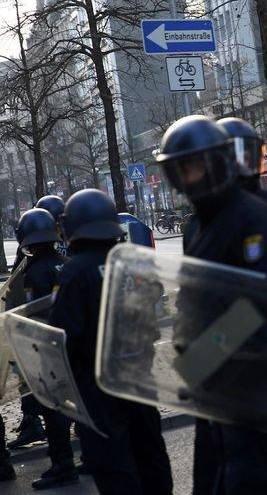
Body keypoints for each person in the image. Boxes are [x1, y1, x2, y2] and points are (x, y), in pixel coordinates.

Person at [157, 115, 267, 495]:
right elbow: (196, 298)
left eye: (196, 166)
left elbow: (266, 307)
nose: (191, 178)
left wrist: (204, 353)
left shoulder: (254, 217)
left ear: (219, 162)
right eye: (182, 170)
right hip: (219, 391)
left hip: (260, 390)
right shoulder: (198, 225)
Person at [49, 189, 173, 495]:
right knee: (150, 454)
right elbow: (153, 313)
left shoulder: (74, 273)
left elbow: (64, 337)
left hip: (98, 388)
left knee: (114, 467)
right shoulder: (131, 263)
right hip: (138, 379)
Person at [11, 209, 78, 490]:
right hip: (71, 345)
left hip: (47, 349)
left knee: (53, 411)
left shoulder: (34, 271)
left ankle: (63, 466)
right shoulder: (66, 262)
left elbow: (33, 312)